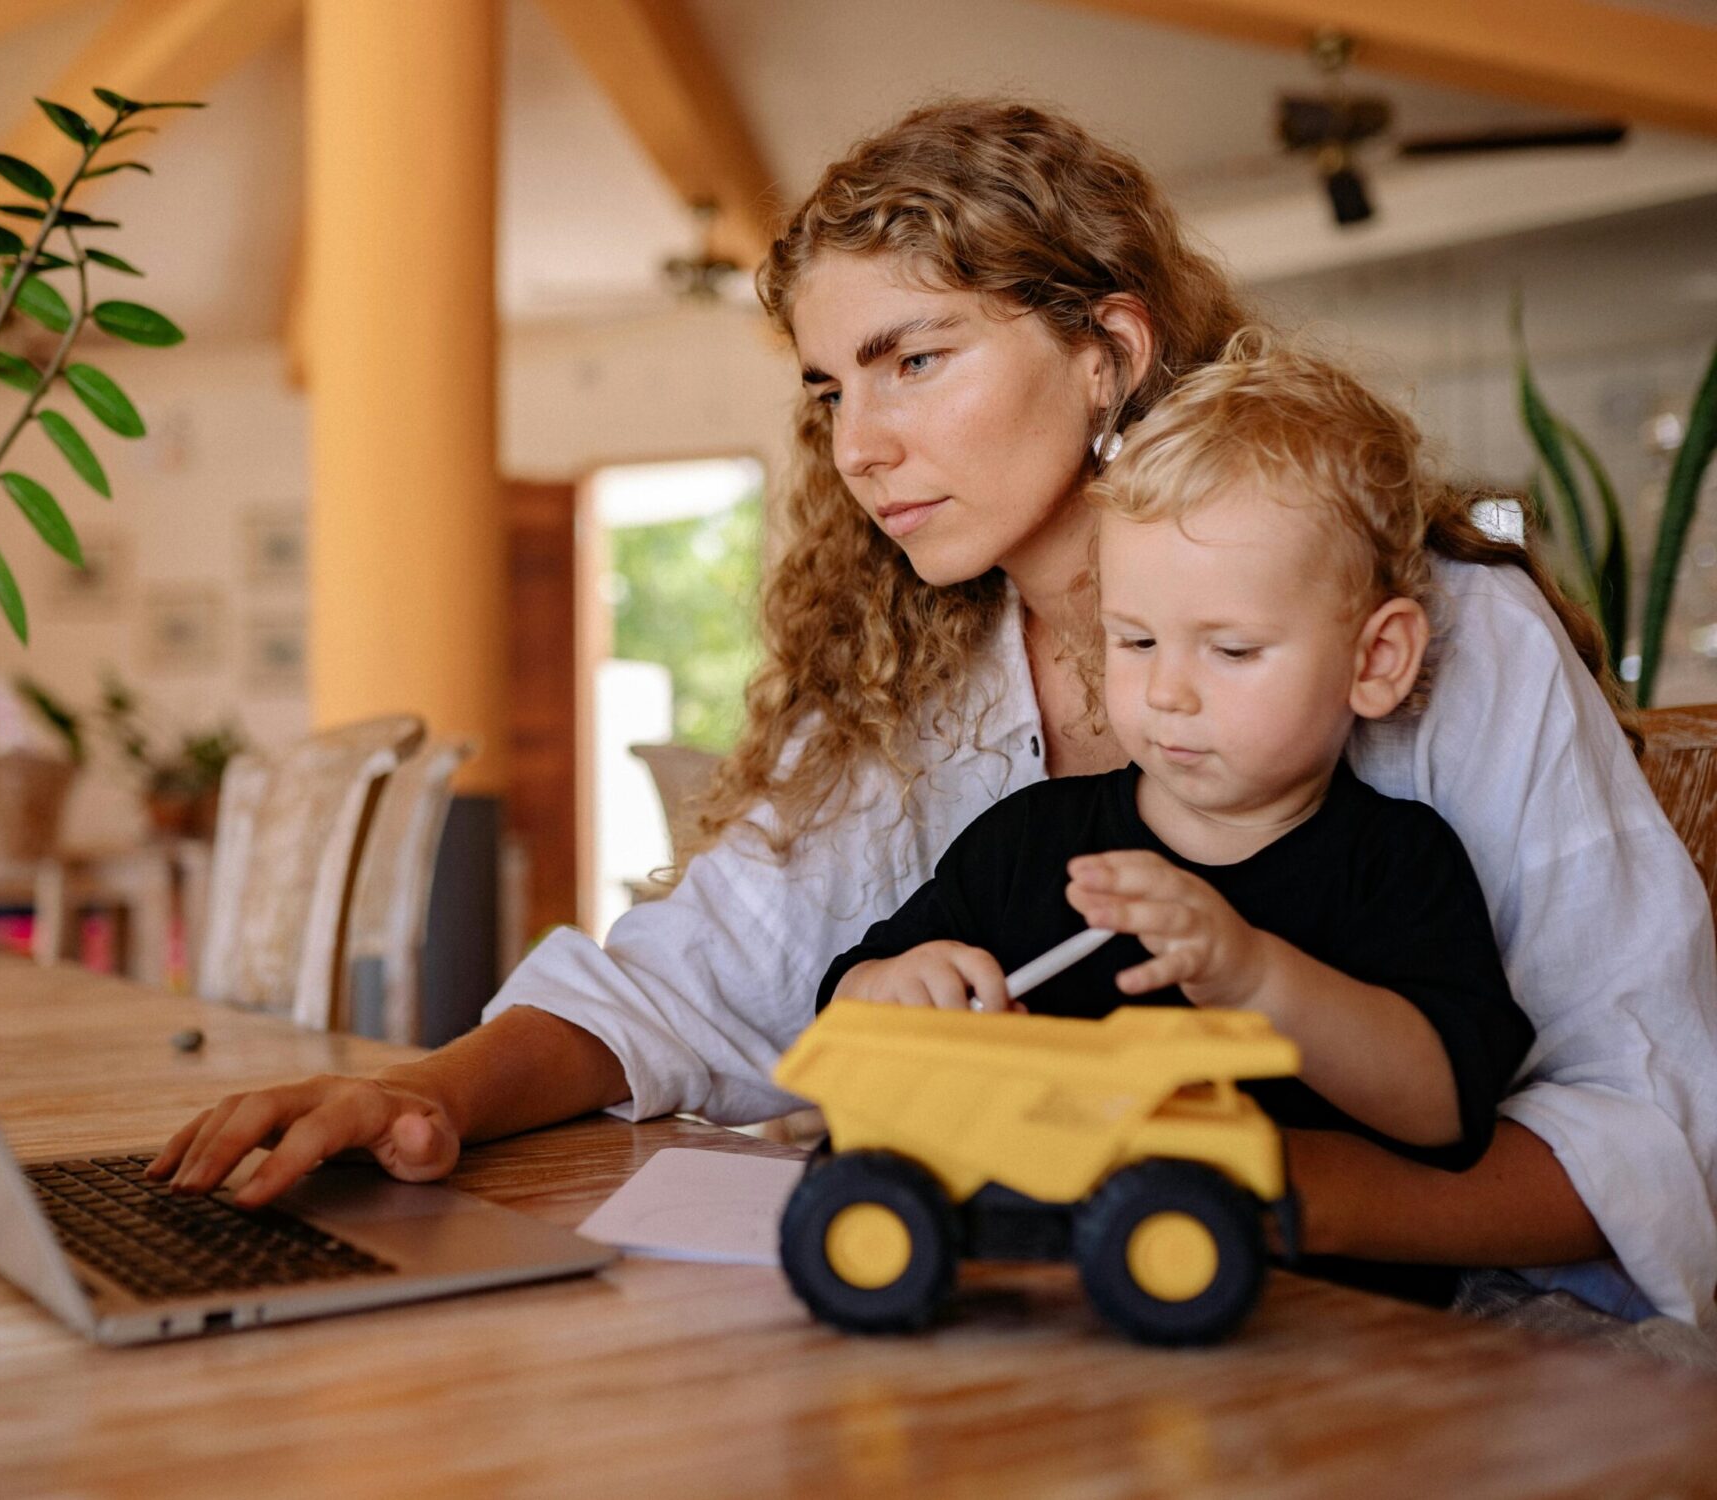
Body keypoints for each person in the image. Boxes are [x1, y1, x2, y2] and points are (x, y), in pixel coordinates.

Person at [150, 101, 1717, 1336]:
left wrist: (1253, 1195)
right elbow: (691, 983)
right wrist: (428, 1091)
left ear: (1109, 350)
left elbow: (1653, 1124)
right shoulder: (922, 661)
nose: (861, 444)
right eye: (835, 387)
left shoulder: (1450, 639)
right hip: (1081, 1339)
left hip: (1451, 1358)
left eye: (914, 358)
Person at [820, 334, 1534, 1229]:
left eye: (1231, 649)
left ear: (1377, 659)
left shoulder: (1395, 863)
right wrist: (893, 988)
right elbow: (845, 1000)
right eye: (1136, 640)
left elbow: (1447, 1110)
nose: (1166, 692)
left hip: (1307, 1321)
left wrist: (1253, 976)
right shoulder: (1028, 844)